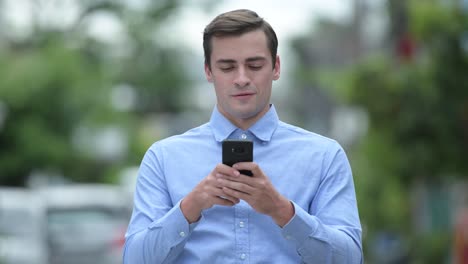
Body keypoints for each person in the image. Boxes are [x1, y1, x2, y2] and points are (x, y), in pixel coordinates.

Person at [123, 9, 363, 263]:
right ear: (208, 71)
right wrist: (192, 205)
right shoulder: (163, 158)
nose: (241, 79)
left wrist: (281, 210)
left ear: (276, 67)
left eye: (254, 65)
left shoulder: (325, 156)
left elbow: (350, 259)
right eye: (227, 67)